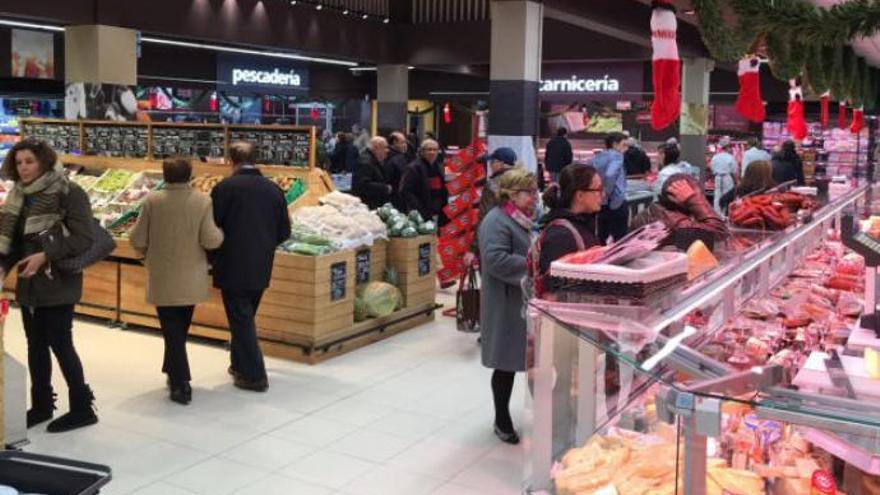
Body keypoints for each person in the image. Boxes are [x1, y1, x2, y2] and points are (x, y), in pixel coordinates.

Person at [0, 139, 97, 433]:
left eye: (29, 161)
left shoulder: (69, 191)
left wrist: (45, 255)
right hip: (30, 284)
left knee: (60, 343)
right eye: (18, 163)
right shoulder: (18, 195)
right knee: (36, 345)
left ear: (43, 161)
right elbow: (15, 242)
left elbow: (84, 238)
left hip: (58, 282)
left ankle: (82, 408)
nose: (24, 168)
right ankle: (42, 405)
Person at [130, 158, 224, 405]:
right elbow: (211, 240)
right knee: (179, 327)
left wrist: (144, 257)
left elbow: (137, 237)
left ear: (164, 175)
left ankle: (177, 378)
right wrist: (222, 235)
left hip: (161, 274)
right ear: (190, 175)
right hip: (192, 274)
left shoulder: (152, 200)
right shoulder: (203, 201)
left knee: (171, 328)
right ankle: (180, 380)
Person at [211, 142, 291, 392]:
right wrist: (264, 246)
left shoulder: (224, 188)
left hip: (232, 264)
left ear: (230, 161)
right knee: (244, 317)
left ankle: (255, 375)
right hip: (261, 264)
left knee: (241, 319)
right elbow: (284, 231)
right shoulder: (274, 190)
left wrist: (213, 254)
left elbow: (212, 229)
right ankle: (238, 364)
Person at [478, 167, 537, 445]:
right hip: (505, 303)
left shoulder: (519, 218)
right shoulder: (496, 221)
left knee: (519, 359)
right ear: (511, 194)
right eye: (529, 192)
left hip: (521, 301)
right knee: (505, 364)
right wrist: (533, 265)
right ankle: (501, 419)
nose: (535, 197)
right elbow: (495, 260)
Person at [533, 164, 603, 297]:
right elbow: (554, 292)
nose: (602, 195)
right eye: (598, 189)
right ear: (580, 195)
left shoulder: (582, 224)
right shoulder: (560, 235)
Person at [631, 174, 728, 247]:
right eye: (698, 195)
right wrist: (693, 199)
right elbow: (719, 233)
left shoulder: (659, 208)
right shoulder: (672, 220)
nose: (701, 197)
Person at [400, 139, 449, 225]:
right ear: (422, 151)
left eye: (435, 150)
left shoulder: (438, 167)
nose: (432, 152)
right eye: (429, 149)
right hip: (421, 215)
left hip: (438, 214)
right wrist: (419, 208)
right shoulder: (413, 168)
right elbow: (405, 191)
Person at [593, 132, 629, 244]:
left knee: (602, 237)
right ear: (615, 144)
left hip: (601, 203)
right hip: (616, 201)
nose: (626, 148)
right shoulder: (617, 156)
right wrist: (607, 191)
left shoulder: (599, 157)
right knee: (620, 240)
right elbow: (610, 174)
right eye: (623, 145)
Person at [353, 136, 392, 209]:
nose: (387, 150)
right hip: (368, 206)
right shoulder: (366, 162)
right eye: (385, 147)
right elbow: (363, 185)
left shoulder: (372, 160)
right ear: (376, 147)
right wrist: (385, 188)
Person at [710, 137, 738, 214]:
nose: (731, 149)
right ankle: (724, 214)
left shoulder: (715, 157)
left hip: (717, 178)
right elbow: (734, 172)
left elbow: (711, 169)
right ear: (727, 147)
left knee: (717, 196)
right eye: (730, 147)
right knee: (726, 196)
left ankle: (717, 214)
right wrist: (736, 182)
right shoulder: (731, 157)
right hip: (727, 178)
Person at [385, 132, 410, 210]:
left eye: (405, 142)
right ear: (395, 142)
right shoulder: (391, 158)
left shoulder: (402, 155)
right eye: (402, 142)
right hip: (395, 197)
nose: (405, 145)